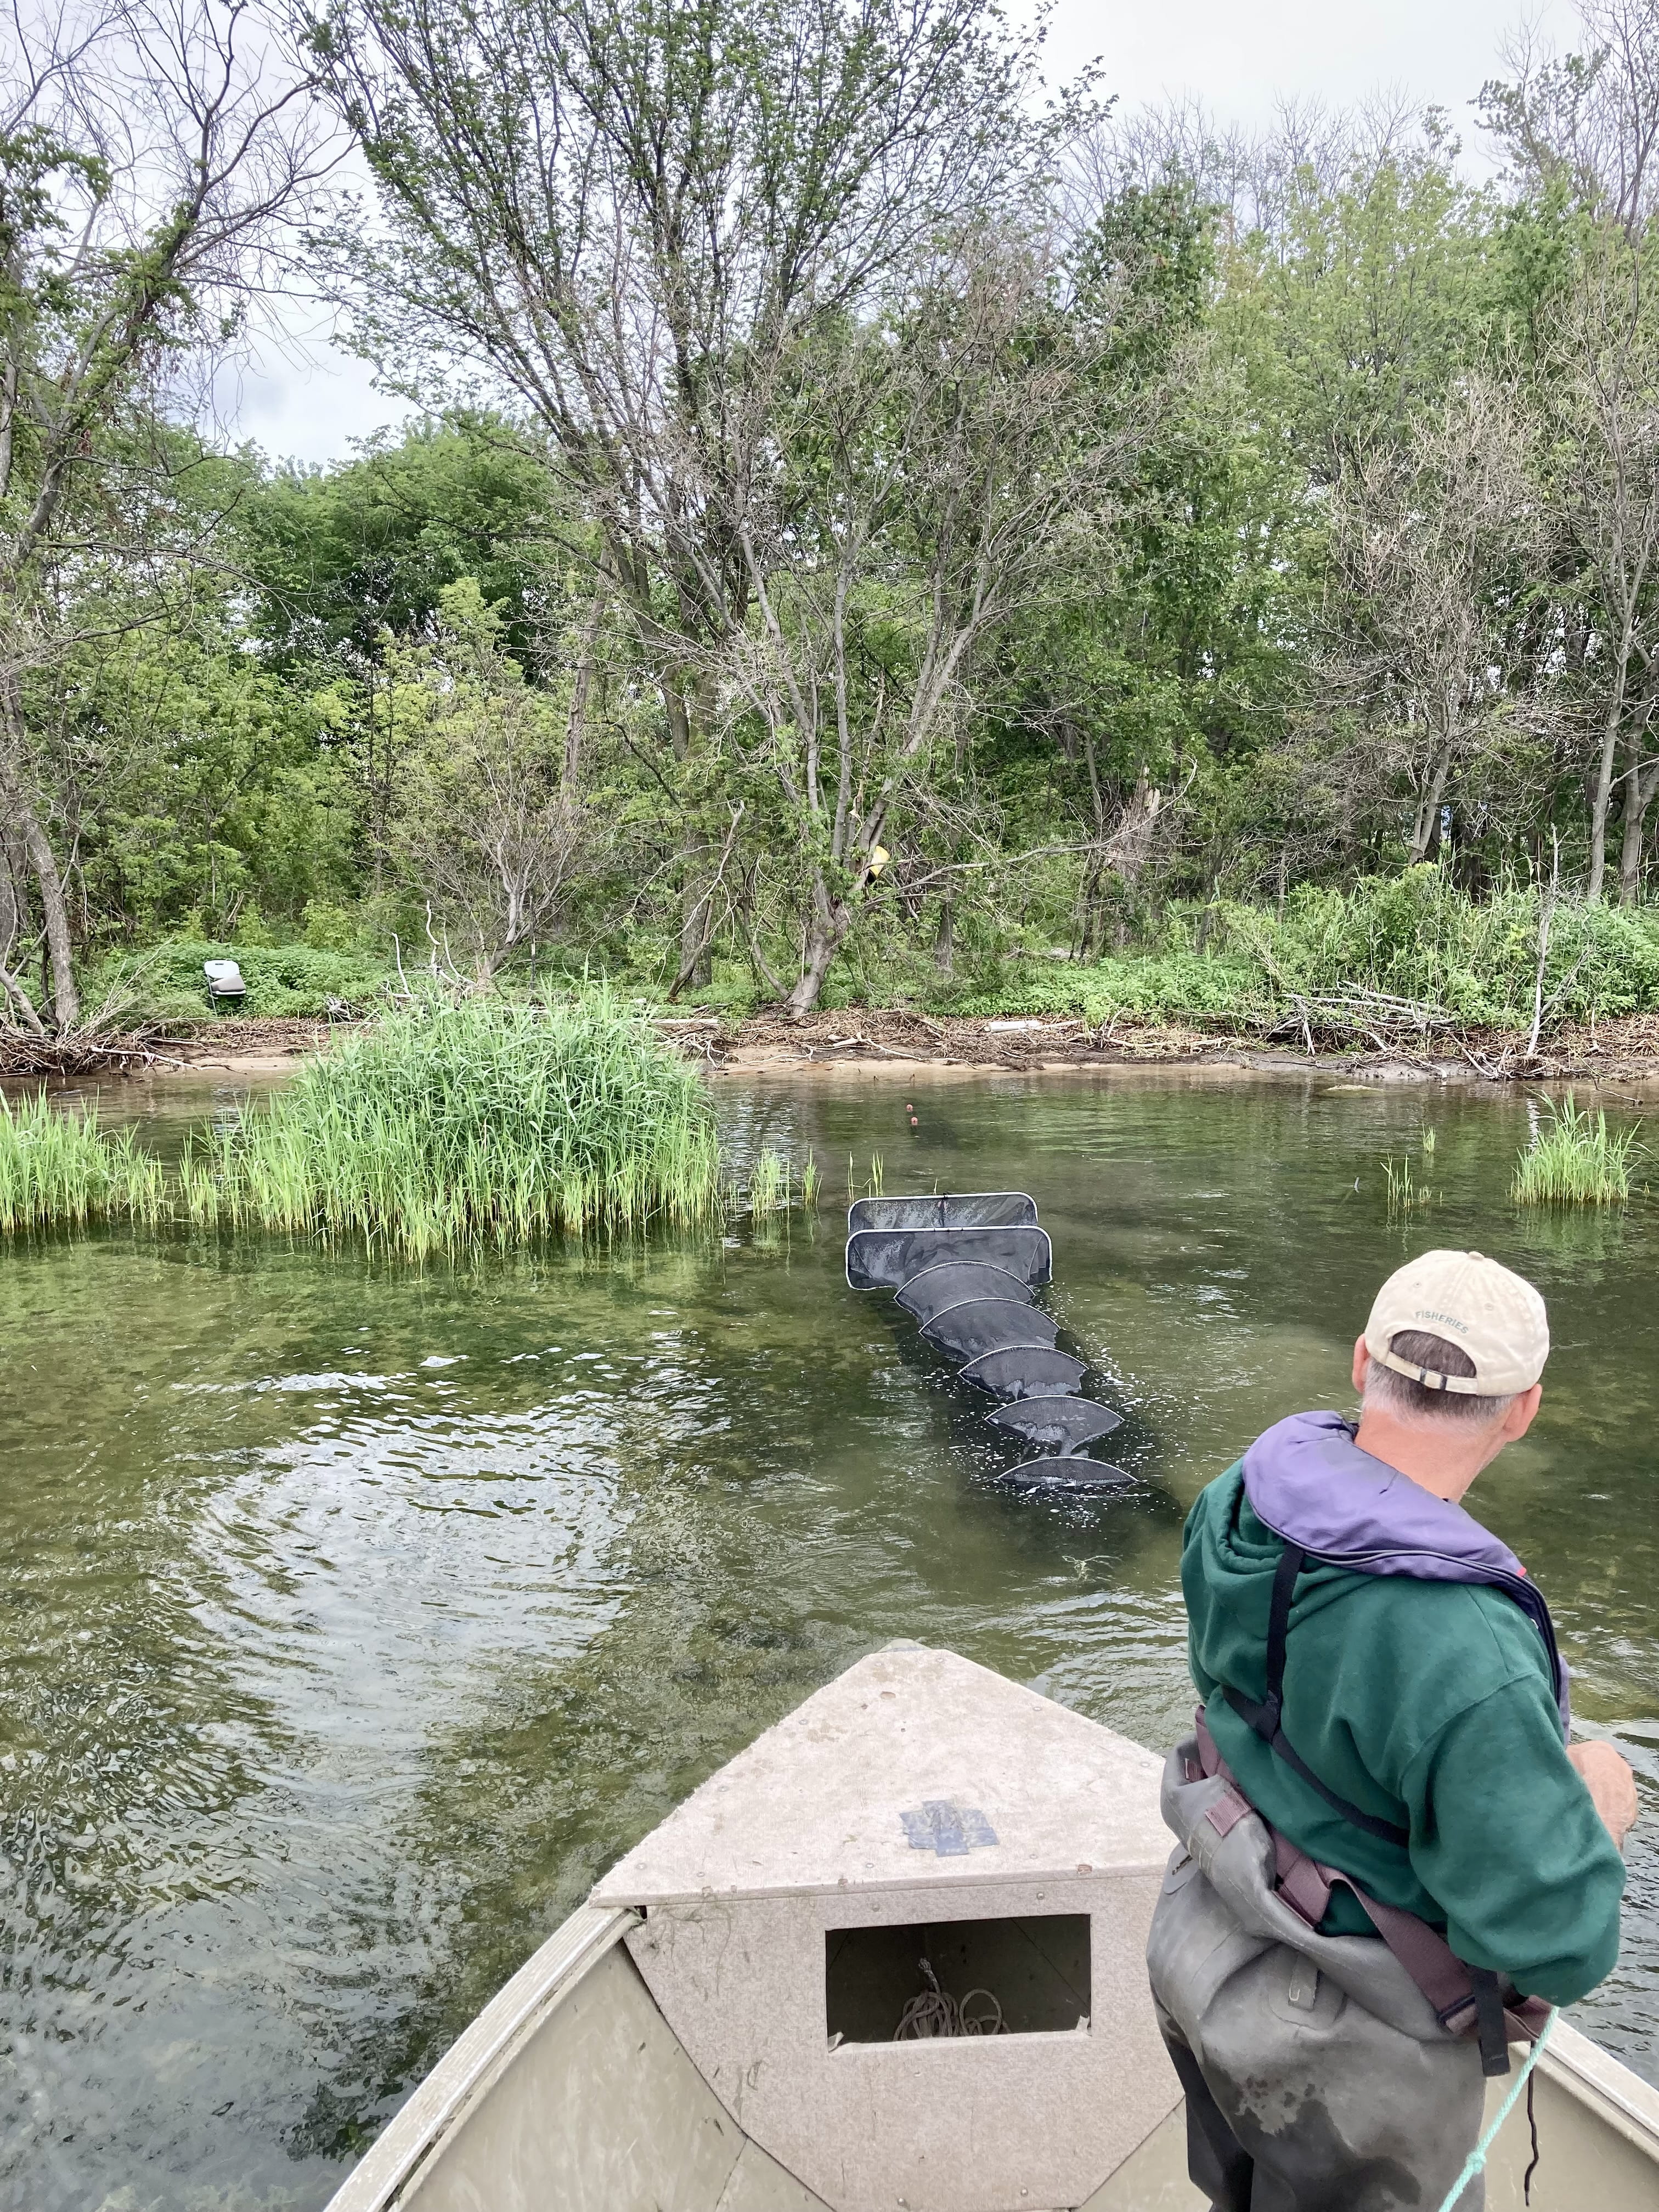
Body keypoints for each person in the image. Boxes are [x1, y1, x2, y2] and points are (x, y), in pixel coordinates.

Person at [1147, 1249, 1637, 2212]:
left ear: (1363, 1362)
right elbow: (1559, 1945)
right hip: (1344, 2053)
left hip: (1203, 1939)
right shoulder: (1472, 1653)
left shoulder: (1237, 1495)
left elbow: (1236, 1687)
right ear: (1523, 1410)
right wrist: (1598, 1810)